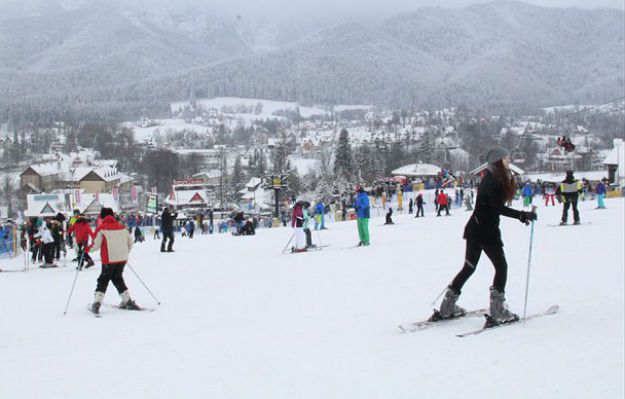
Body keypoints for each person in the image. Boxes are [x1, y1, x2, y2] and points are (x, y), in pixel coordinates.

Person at [431, 147, 537, 324]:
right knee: (501, 266)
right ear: (498, 161)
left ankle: (447, 307)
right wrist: (521, 215)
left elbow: (494, 206)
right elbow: (497, 208)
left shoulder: (491, 178)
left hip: (475, 228)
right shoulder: (494, 180)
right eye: (506, 158)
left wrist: (521, 215)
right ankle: (497, 311)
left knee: (469, 267)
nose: (508, 160)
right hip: (486, 231)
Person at [87, 208, 139, 314]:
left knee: (103, 279)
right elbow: (130, 242)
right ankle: (127, 300)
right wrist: (125, 252)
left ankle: (97, 302)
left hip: (108, 259)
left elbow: (95, 245)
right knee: (117, 278)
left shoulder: (101, 228)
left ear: (102, 217)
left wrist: (86, 249)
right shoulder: (122, 227)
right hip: (122, 258)